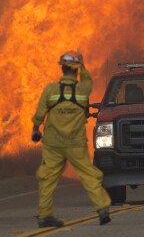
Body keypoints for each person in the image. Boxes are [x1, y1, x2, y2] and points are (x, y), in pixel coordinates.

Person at [31, 50, 112, 228]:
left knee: (48, 178)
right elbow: (88, 80)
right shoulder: (83, 90)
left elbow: (39, 114)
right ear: (75, 71)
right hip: (75, 144)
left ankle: (44, 216)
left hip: (53, 144)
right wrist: (82, 65)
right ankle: (102, 208)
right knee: (88, 174)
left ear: (62, 70)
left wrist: (35, 130)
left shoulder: (50, 90)